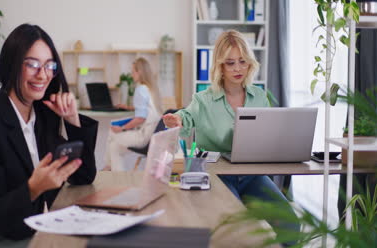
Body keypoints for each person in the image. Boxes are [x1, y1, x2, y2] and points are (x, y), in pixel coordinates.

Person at [0, 24, 98, 247]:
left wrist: (72, 121)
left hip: (26, 234)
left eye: (49, 66)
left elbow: (83, 176)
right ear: (12, 65)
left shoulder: (43, 116)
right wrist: (33, 188)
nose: (43, 74)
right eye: (33, 64)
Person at [163, 30, 299, 235]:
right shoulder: (203, 99)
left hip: (252, 176)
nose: (238, 68)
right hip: (217, 176)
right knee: (236, 229)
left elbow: (268, 134)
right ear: (220, 66)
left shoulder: (259, 96)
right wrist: (178, 120)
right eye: (230, 63)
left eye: (242, 61)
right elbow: (187, 117)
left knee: (290, 224)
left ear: (250, 63)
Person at [103, 57, 162, 171]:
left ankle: (108, 167)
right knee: (115, 147)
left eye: (133, 71)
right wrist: (129, 107)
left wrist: (122, 128)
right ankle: (117, 178)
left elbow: (140, 118)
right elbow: (147, 109)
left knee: (111, 131)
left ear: (139, 72)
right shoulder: (151, 89)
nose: (131, 74)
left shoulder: (140, 89)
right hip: (153, 136)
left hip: (143, 137)